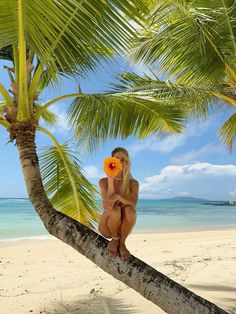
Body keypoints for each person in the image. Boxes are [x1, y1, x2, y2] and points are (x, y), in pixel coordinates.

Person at [98, 147, 139, 260]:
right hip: (106, 226)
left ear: (126, 162)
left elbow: (133, 204)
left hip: (122, 227)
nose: (120, 161)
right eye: (116, 158)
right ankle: (115, 239)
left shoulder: (133, 183)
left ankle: (122, 243)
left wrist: (119, 197)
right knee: (115, 209)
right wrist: (110, 178)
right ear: (112, 160)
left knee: (130, 211)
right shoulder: (103, 182)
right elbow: (108, 205)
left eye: (123, 159)